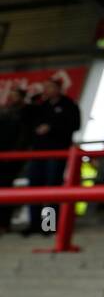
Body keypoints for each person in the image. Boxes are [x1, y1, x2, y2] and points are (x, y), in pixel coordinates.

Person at [21, 77, 81, 236]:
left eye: (50, 87)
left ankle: (49, 225)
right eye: (45, 87)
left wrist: (52, 127)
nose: (46, 90)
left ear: (58, 89)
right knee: (34, 188)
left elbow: (75, 125)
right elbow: (27, 122)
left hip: (56, 152)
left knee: (52, 189)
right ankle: (33, 223)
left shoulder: (69, 105)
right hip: (39, 152)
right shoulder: (41, 106)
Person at [0, 87, 31, 235]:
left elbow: (23, 137)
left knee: (47, 190)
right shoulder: (4, 111)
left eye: (15, 95)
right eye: (10, 95)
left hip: (13, 158)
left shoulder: (26, 113)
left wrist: (14, 153)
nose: (11, 98)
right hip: (4, 157)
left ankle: (47, 226)